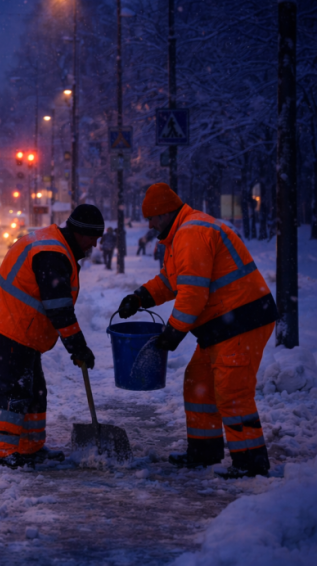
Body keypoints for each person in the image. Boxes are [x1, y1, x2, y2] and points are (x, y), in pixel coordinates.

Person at [117, 183, 276, 479]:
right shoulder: (181, 234)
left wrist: (172, 333)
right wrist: (139, 298)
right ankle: (204, 451)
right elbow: (171, 281)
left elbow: (192, 294)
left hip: (242, 321)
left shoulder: (191, 233)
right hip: (222, 325)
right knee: (198, 382)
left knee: (232, 392)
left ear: (165, 213)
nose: (149, 225)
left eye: (151, 218)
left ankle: (251, 462)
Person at [0, 205, 104, 468]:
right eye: (93, 237)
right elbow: (59, 309)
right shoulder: (52, 253)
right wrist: (78, 347)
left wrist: (76, 346)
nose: (95, 244)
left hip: (22, 326)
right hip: (11, 325)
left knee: (35, 389)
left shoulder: (57, 246)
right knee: (15, 389)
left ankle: (30, 448)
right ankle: (1, 452)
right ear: (80, 232)